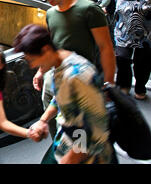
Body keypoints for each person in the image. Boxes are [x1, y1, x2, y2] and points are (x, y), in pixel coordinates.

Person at [13, 24, 116, 164]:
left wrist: (71, 159)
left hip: (90, 154)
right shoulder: (60, 63)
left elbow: (96, 128)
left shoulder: (77, 76)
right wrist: (43, 120)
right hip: (68, 138)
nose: (32, 66)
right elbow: (61, 97)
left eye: (32, 60)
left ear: (46, 50)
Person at [34, 0, 116, 138]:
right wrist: (41, 71)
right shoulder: (50, 13)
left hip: (80, 82)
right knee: (52, 125)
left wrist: (109, 84)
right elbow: (51, 47)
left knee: (76, 131)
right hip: (53, 78)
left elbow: (106, 48)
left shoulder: (89, 10)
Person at [106, 0, 151, 100]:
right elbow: (109, 10)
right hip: (123, 36)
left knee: (142, 64)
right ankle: (124, 86)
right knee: (122, 60)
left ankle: (140, 87)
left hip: (145, 37)